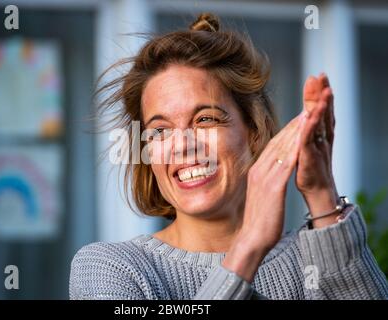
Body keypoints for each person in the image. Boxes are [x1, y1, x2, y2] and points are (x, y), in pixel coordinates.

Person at [69, 13, 388, 299]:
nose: (182, 145)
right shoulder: (110, 269)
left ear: (253, 132)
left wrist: (321, 193)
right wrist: (249, 246)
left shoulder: (312, 264)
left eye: (205, 119)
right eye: (160, 131)